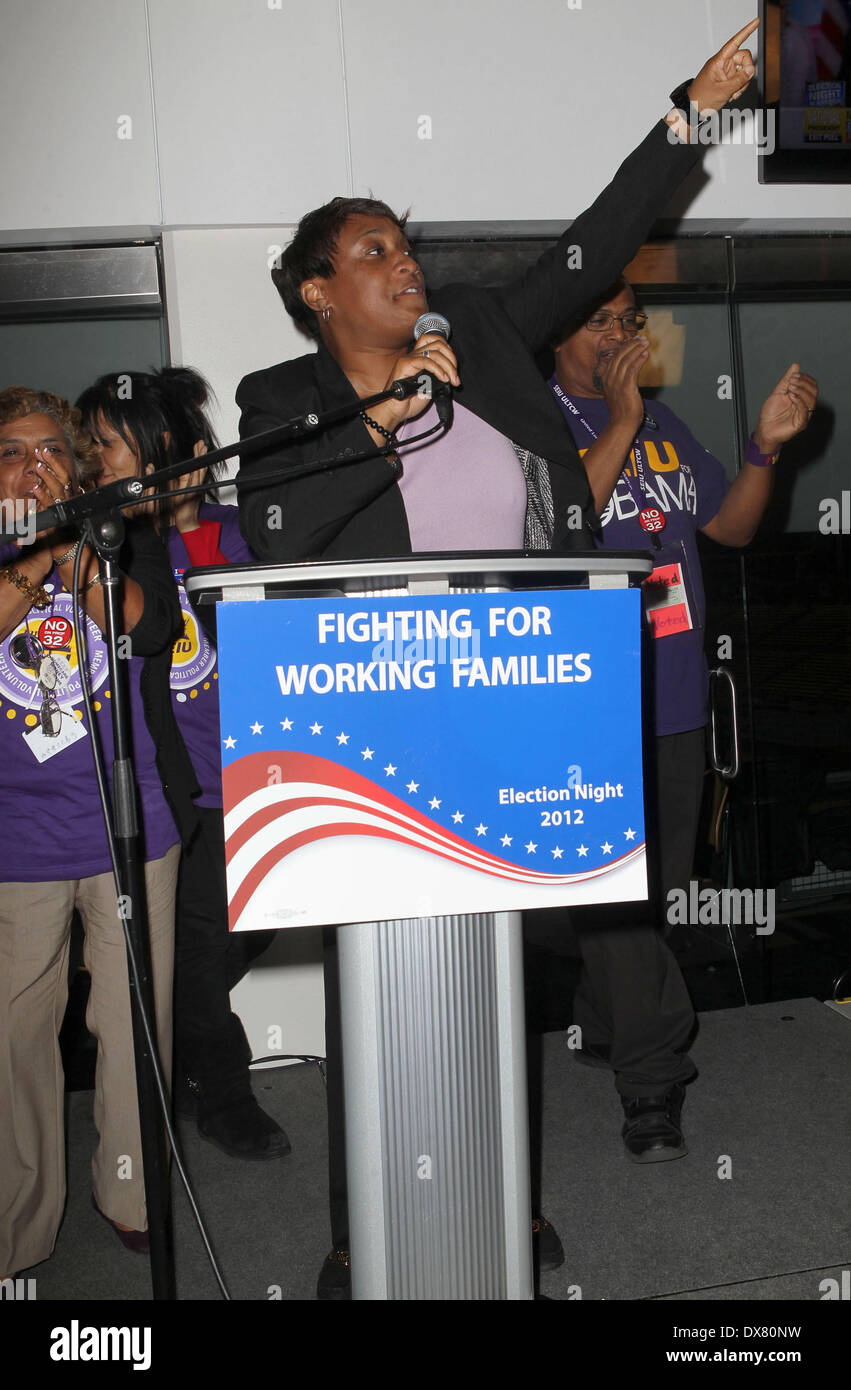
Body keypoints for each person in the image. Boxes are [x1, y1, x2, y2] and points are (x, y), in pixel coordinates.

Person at [234, 22, 761, 1296]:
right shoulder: (279, 405)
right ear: (317, 291)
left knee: (495, 973)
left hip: (517, 700)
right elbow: (273, 527)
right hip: (370, 733)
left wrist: (690, 110)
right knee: (380, 987)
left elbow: (590, 240)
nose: (403, 263)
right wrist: (388, 415)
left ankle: (499, 1202)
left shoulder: (479, 328)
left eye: (403, 245)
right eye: (373, 251)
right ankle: (367, 1226)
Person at [549, 277, 817, 1158]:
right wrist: (620, 418)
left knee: (651, 889)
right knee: (619, 896)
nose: (624, 336)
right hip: (583, 705)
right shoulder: (534, 427)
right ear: (557, 335)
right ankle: (653, 1081)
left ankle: (601, 1020)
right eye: (602, 323)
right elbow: (558, 527)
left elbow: (728, 531)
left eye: (630, 321)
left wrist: (763, 452)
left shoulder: (663, 428)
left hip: (672, 697)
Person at [0, 386, 197, 1274]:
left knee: (132, 1026)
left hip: (131, 824)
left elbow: (152, 628)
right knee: (15, 1040)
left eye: (52, 451)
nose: (34, 465)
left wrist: (72, 549)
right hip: (16, 844)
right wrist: (28, 562)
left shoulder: (119, 533)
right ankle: (19, 1223)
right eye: (14, 451)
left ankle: (129, 1190)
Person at [77, 367, 289, 1161]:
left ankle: (193, 1058)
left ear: (190, 458)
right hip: (184, 794)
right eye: (94, 446)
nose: (100, 462)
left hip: (272, 780)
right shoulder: (112, 551)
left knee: (249, 933)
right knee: (196, 951)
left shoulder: (252, 532)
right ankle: (224, 1090)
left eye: (114, 445)